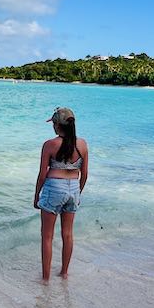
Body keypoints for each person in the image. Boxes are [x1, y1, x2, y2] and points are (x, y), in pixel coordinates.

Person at [34, 107, 89, 281]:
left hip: (54, 188)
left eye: (54, 123)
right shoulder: (82, 145)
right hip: (73, 187)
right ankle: (64, 273)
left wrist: (36, 196)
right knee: (67, 234)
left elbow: (42, 174)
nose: (53, 127)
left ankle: (46, 278)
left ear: (57, 125)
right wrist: (78, 193)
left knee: (47, 236)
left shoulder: (50, 144)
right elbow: (85, 173)